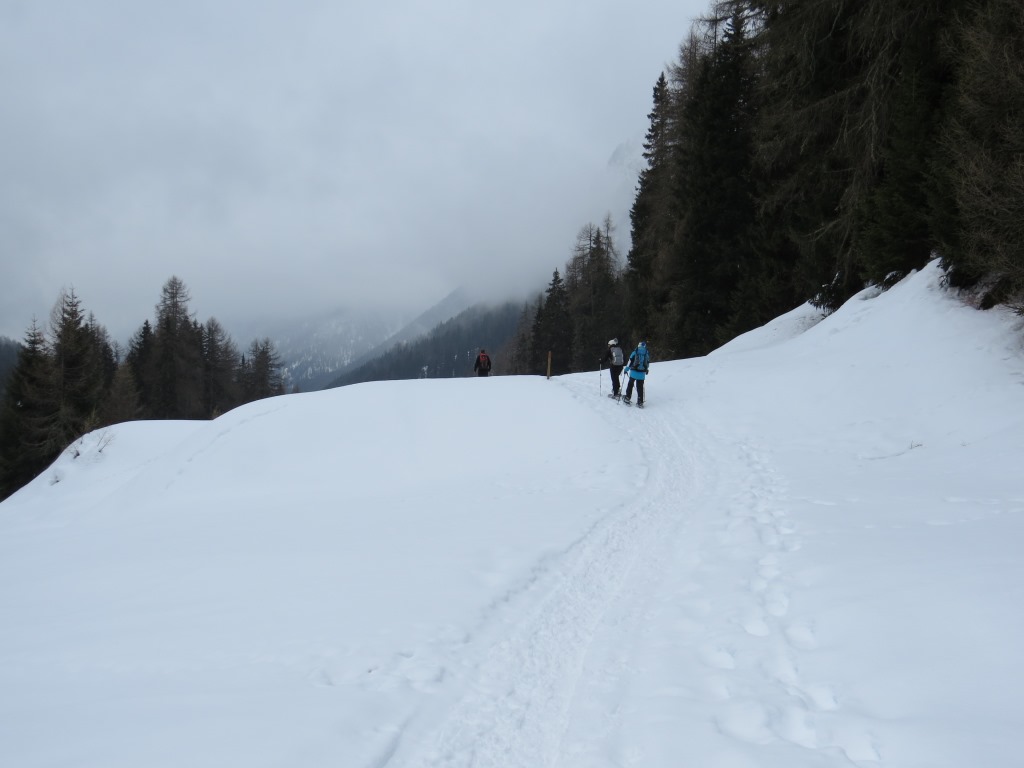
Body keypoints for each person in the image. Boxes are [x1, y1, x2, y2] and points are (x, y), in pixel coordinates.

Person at [623, 340, 649, 407]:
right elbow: (647, 363)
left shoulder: (635, 352)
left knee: (630, 385)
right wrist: (646, 370)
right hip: (642, 374)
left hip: (634, 373)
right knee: (640, 387)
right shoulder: (646, 353)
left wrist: (626, 370)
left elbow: (630, 362)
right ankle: (640, 402)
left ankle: (627, 398)